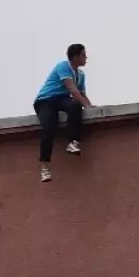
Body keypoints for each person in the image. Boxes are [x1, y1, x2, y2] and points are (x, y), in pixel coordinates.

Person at [33, 43, 92, 182]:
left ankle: (73, 142)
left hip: (61, 99)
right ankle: (45, 167)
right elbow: (72, 88)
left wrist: (90, 107)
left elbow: (82, 94)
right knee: (49, 128)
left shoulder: (81, 75)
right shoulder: (63, 66)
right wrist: (85, 105)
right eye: (83, 55)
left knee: (75, 106)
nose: (86, 58)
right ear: (75, 56)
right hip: (45, 101)